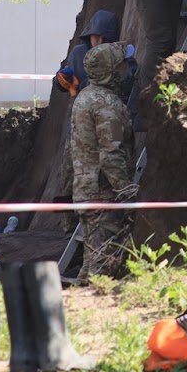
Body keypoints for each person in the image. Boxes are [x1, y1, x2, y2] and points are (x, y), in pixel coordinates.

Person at [70, 42, 139, 281]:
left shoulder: (86, 97)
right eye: (121, 65)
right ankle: (89, 311)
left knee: (92, 261)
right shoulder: (105, 104)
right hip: (103, 195)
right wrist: (127, 191)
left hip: (87, 191)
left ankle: (79, 305)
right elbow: (110, 153)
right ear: (111, 70)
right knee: (102, 266)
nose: (126, 69)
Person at [53, 9, 134, 100]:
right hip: (83, 107)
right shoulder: (78, 53)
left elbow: (128, 88)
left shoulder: (119, 57)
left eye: (105, 38)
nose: (100, 41)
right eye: (96, 36)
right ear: (89, 35)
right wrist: (61, 80)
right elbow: (63, 82)